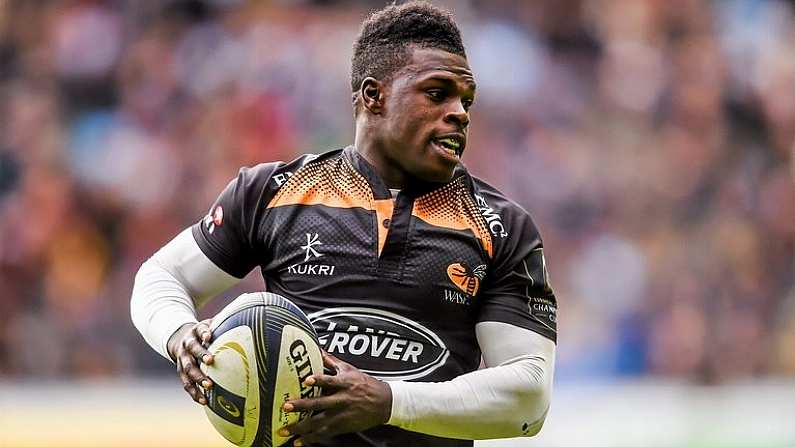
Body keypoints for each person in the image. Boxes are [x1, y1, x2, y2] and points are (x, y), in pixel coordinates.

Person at [131, 2, 558, 446]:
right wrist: (180, 336)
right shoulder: (272, 192)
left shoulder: (502, 226)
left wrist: (389, 401)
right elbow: (161, 275)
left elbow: (528, 396)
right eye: (437, 94)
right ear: (373, 96)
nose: (460, 113)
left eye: (466, 100)